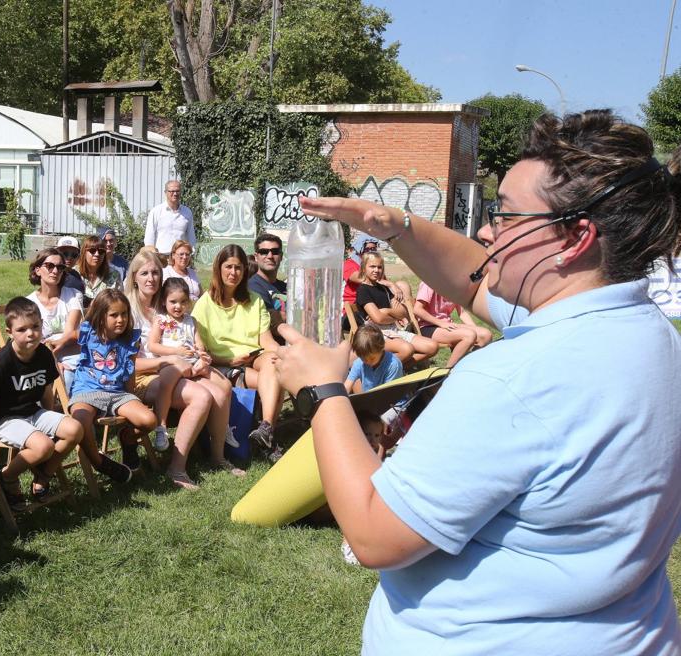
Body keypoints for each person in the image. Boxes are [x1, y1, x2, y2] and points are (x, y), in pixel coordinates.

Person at [286, 110, 681, 654]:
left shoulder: (514, 380)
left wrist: (324, 393)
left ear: (576, 238)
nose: (486, 229)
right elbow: (477, 287)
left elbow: (375, 534)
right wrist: (396, 225)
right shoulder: (647, 334)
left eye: (507, 215)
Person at [126, 248, 242, 486]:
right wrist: (167, 361)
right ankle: (177, 468)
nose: (151, 279)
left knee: (220, 392)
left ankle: (218, 457)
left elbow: (189, 340)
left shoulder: (167, 304)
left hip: (177, 371)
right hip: (141, 377)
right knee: (201, 397)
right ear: (134, 277)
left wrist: (201, 357)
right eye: (145, 273)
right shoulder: (127, 311)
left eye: (156, 273)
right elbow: (128, 364)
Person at [0, 296, 84, 505]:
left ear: (42, 325)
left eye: (35, 326)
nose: (30, 333)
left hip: (33, 412)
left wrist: (49, 420)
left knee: (75, 429)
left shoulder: (43, 353)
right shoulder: (2, 362)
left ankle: (44, 474)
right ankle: (7, 476)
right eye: (22, 329)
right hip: (5, 419)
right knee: (43, 447)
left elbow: (46, 390)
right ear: (10, 333)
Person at [192, 245, 283, 457]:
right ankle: (268, 440)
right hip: (222, 364)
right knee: (275, 378)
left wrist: (287, 355)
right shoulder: (204, 304)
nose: (234, 273)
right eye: (229, 267)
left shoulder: (255, 300)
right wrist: (229, 360)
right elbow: (200, 353)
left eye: (239, 268)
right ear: (218, 268)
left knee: (275, 361)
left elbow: (267, 342)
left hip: (254, 356)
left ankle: (266, 428)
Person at [67, 289, 160, 487]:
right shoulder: (88, 333)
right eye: (114, 315)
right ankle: (99, 462)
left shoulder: (130, 339)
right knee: (80, 420)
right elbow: (68, 337)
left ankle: (127, 438)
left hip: (118, 393)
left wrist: (132, 396)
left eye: (124, 314)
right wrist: (56, 345)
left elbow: (130, 372)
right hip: (87, 391)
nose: (121, 320)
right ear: (101, 317)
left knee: (149, 420)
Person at [146, 277, 228, 452]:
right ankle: (161, 426)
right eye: (173, 302)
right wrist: (177, 352)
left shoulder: (191, 321)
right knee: (167, 381)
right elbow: (153, 345)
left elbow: (199, 344)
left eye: (183, 302)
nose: (178, 306)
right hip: (171, 365)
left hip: (193, 365)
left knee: (224, 384)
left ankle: (224, 426)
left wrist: (202, 356)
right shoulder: (161, 320)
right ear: (164, 301)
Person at [356, 252, 438, 364]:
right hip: (376, 335)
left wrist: (386, 311)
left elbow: (403, 312)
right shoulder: (363, 290)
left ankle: (400, 367)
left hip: (394, 330)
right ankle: (386, 371)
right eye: (372, 266)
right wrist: (394, 316)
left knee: (432, 346)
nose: (376, 270)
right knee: (407, 349)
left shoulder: (384, 289)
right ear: (364, 268)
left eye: (379, 267)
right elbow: (378, 319)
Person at [26, 248, 83, 392]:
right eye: (50, 266)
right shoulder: (28, 304)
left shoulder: (73, 296)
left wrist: (55, 360)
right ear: (38, 270)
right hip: (41, 356)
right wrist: (51, 362)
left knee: (69, 375)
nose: (55, 271)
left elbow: (69, 334)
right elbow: (30, 342)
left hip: (73, 355)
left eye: (60, 267)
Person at [413, 281, 493, 367]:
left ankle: (468, 364)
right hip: (428, 327)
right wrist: (441, 323)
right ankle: (448, 371)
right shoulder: (429, 283)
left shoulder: (453, 286)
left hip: (446, 326)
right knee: (469, 335)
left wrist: (474, 328)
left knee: (486, 335)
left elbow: (462, 313)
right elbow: (417, 310)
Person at [144, 180, 197, 263]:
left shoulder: (187, 212)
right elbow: (149, 238)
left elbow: (191, 236)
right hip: (161, 258)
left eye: (177, 191)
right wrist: (151, 256)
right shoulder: (156, 212)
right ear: (165, 192)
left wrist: (191, 254)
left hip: (180, 258)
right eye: (172, 191)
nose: (175, 194)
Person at [247, 233, 287, 340]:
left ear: (281, 256)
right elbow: (272, 323)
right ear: (256, 257)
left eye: (275, 252)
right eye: (264, 252)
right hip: (270, 350)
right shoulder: (252, 287)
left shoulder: (287, 287)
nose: (270, 256)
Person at [343, 324, 403, 394]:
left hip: (394, 402)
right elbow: (347, 387)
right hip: (372, 400)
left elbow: (388, 394)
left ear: (381, 348)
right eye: (363, 359)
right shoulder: (359, 363)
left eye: (372, 359)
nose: (367, 362)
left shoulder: (393, 365)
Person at [77, 235, 122, 308]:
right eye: (92, 251)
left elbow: (119, 302)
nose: (97, 254)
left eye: (101, 251)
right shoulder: (74, 274)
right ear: (84, 252)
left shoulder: (114, 275)